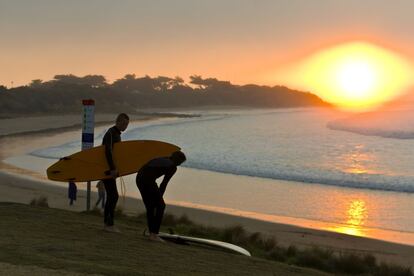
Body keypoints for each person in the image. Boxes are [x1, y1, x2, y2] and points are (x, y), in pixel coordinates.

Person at [136, 151, 186, 242]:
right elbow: (164, 183)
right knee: (161, 206)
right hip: (148, 181)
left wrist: (157, 198)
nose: (179, 165)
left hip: (139, 178)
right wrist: (159, 198)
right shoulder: (172, 166)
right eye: (180, 163)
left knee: (150, 207)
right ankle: (154, 234)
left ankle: (152, 233)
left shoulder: (164, 158)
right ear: (177, 160)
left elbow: (146, 167)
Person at [101, 113, 129, 233]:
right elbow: (108, 151)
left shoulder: (116, 134)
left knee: (112, 196)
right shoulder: (111, 133)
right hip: (107, 170)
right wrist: (112, 169)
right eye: (123, 123)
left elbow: (116, 153)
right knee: (113, 196)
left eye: (127, 124)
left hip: (110, 169)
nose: (125, 126)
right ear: (117, 121)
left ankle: (108, 224)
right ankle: (109, 225)